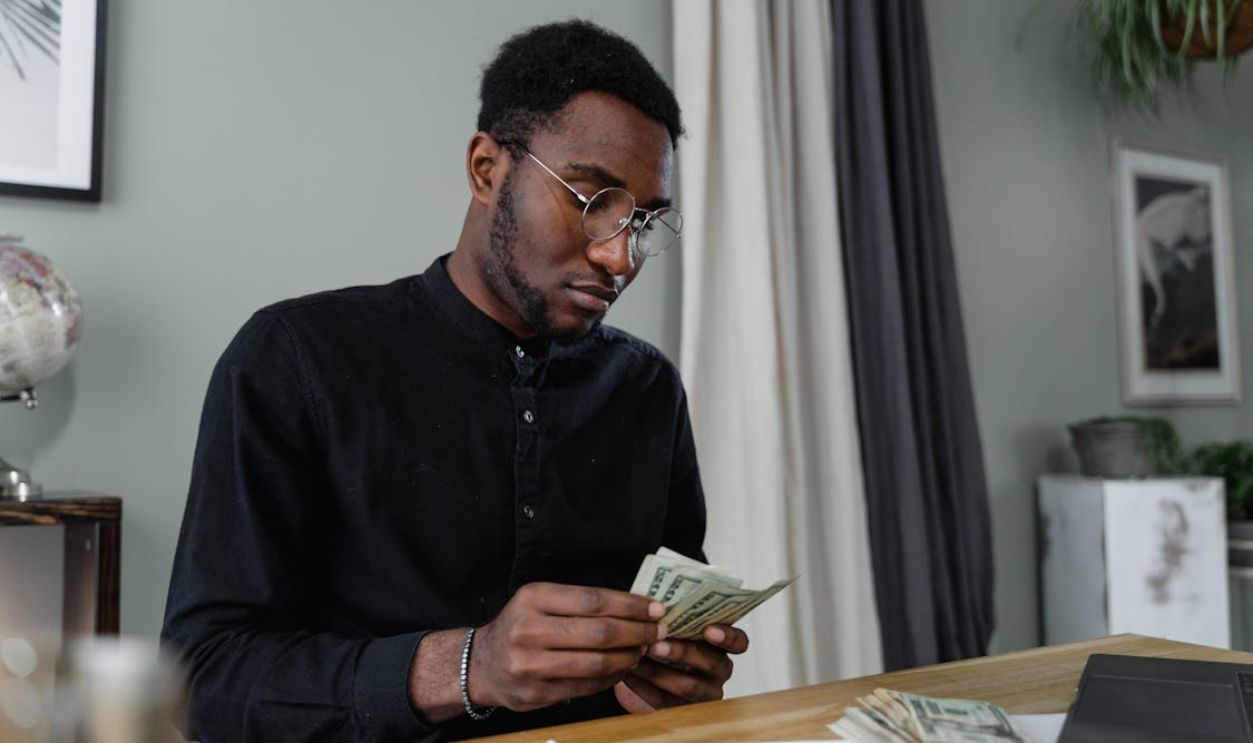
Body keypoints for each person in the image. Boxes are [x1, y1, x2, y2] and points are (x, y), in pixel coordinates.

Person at [161, 19, 750, 742]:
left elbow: (668, 660)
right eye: (593, 201)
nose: (619, 257)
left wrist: (676, 677)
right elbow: (201, 681)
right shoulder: (294, 358)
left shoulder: (646, 389)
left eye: (644, 222)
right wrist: (465, 664)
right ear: (485, 169)